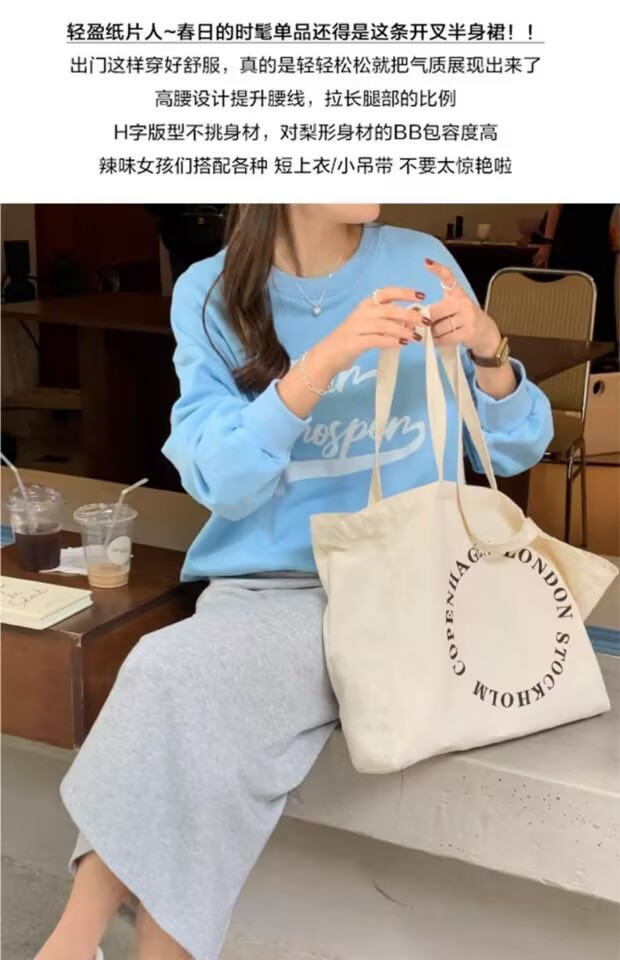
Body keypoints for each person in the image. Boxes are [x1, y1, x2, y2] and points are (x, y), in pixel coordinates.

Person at [37, 205, 553, 960]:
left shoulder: (418, 262)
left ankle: (68, 944)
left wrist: (488, 350)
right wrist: (319, 366)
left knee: (171, 672)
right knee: (199, 718)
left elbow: (516, 448)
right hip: (264, 586)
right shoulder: (211, 293)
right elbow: (221, 481)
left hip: (401, 587)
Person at [533, 204, 617, 345]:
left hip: (599, 245)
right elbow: (556, 207)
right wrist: (547, 243)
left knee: (601, 300)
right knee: (572, 298)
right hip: (571, 243)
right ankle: (567, 345)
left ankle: (601, 349)